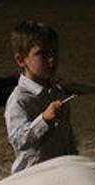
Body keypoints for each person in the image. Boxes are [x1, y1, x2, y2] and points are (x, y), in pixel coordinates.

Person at [5, 20, 77, 174]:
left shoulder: (57, 92)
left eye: (54, 52)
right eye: (42, 54)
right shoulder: (20, 99)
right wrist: (43, 120)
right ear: (21, 59)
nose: (51, 60)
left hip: (60, 172)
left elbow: (67, 136)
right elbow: (17, 140)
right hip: (33, 177)